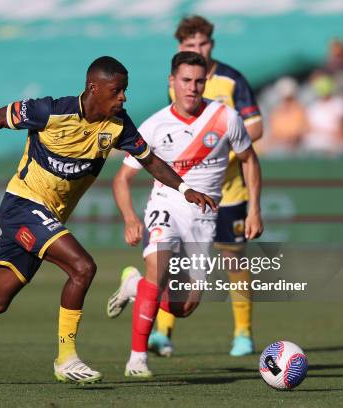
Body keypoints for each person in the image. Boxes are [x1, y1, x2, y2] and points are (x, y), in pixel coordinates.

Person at [0, 56, 216, 384]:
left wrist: (185, 189)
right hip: (22, 206)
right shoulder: (51, 111)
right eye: (117, 91)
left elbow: (151, 161)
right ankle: (66, 358)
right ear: (93, 88)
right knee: (83, 267)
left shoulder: (119, 126)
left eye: (124, 91)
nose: (123, 98)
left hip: (47, 217)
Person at [109, 15, 263, 358]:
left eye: (203, 44)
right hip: (175, 197)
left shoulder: (232, 82)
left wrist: (219, 146)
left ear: (212, 45)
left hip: (228, 190)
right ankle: (155, 338)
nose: (198, 50)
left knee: (232, 263)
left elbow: (255, 130)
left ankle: (242, 332)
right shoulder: (177, 88)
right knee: (163, 266)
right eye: (190, 46)